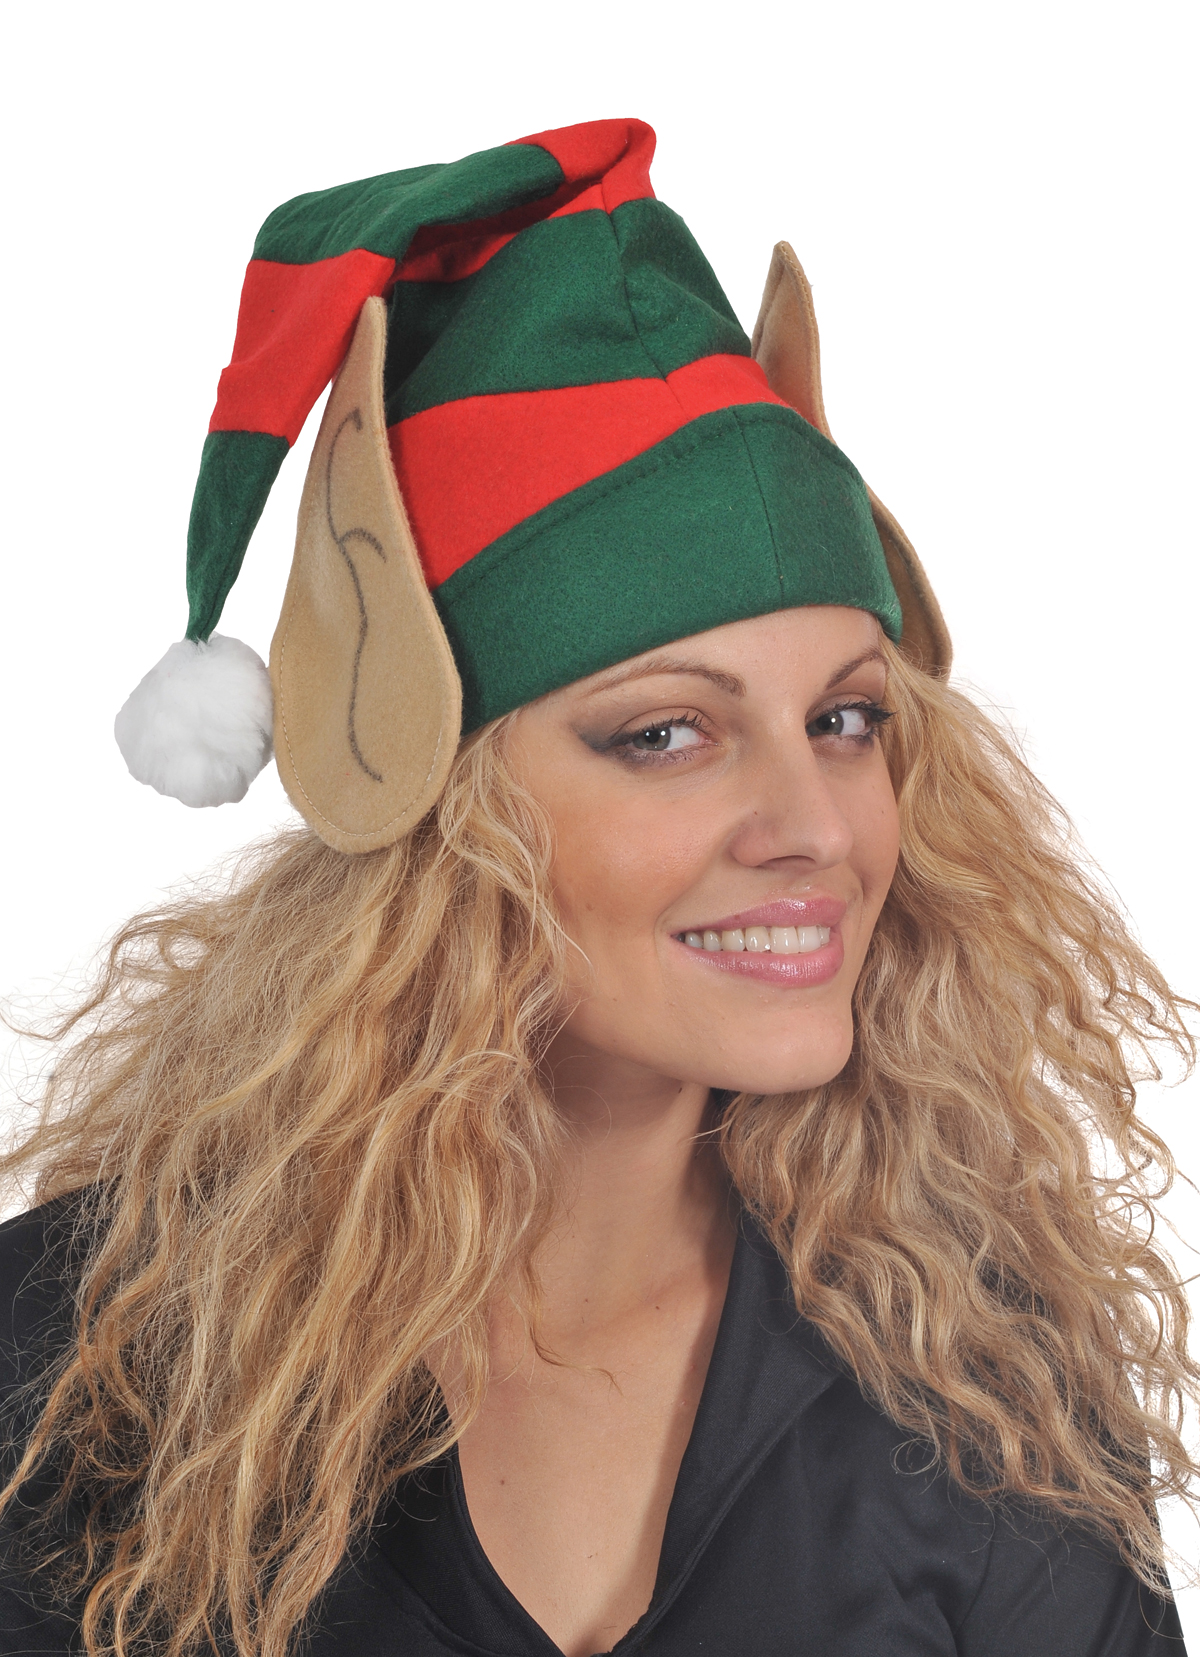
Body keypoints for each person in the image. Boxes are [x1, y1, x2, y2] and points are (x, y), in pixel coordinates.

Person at [0, 117, 1195, 1657]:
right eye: (667, 733)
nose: (814, 826)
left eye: (845, 720)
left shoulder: (987, 1401)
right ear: (439, 813)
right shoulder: (67, 1367)